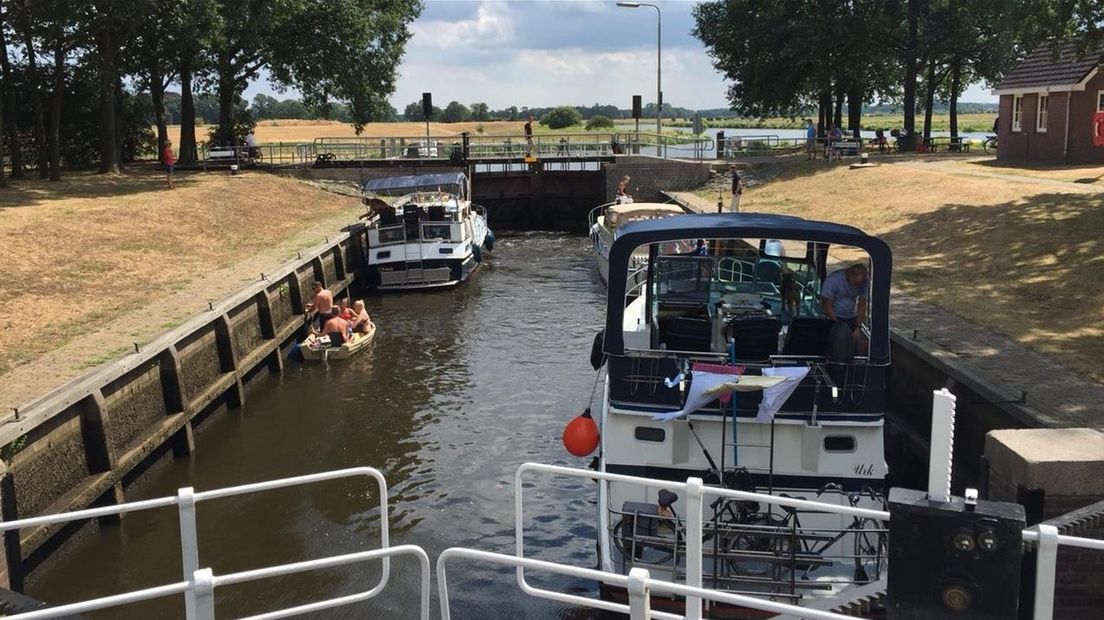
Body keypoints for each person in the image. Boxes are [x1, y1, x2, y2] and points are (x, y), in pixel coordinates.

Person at [821, 263, 869, 341]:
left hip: (852, 316)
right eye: (855, 283)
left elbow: (862, 303)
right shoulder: (833, 280)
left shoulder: (863, 282)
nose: (857, 286)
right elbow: (827, 304)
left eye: (859, 284)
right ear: (850, 274)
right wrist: (837, 322)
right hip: (833, 317)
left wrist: (858, 326)